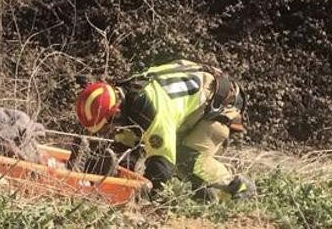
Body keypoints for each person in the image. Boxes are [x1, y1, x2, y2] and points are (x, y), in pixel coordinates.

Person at [75, 60, 254, 200]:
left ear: (116, 111)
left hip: (221, 104)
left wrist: (144, 197)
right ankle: (205, 195)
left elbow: (162, 167)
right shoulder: (130, 95)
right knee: (186, 170)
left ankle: (237, 187)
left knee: (185, 157)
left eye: (108, 125)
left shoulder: (153, 111)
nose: (109, 130)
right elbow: (127, 142)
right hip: (199, 96)